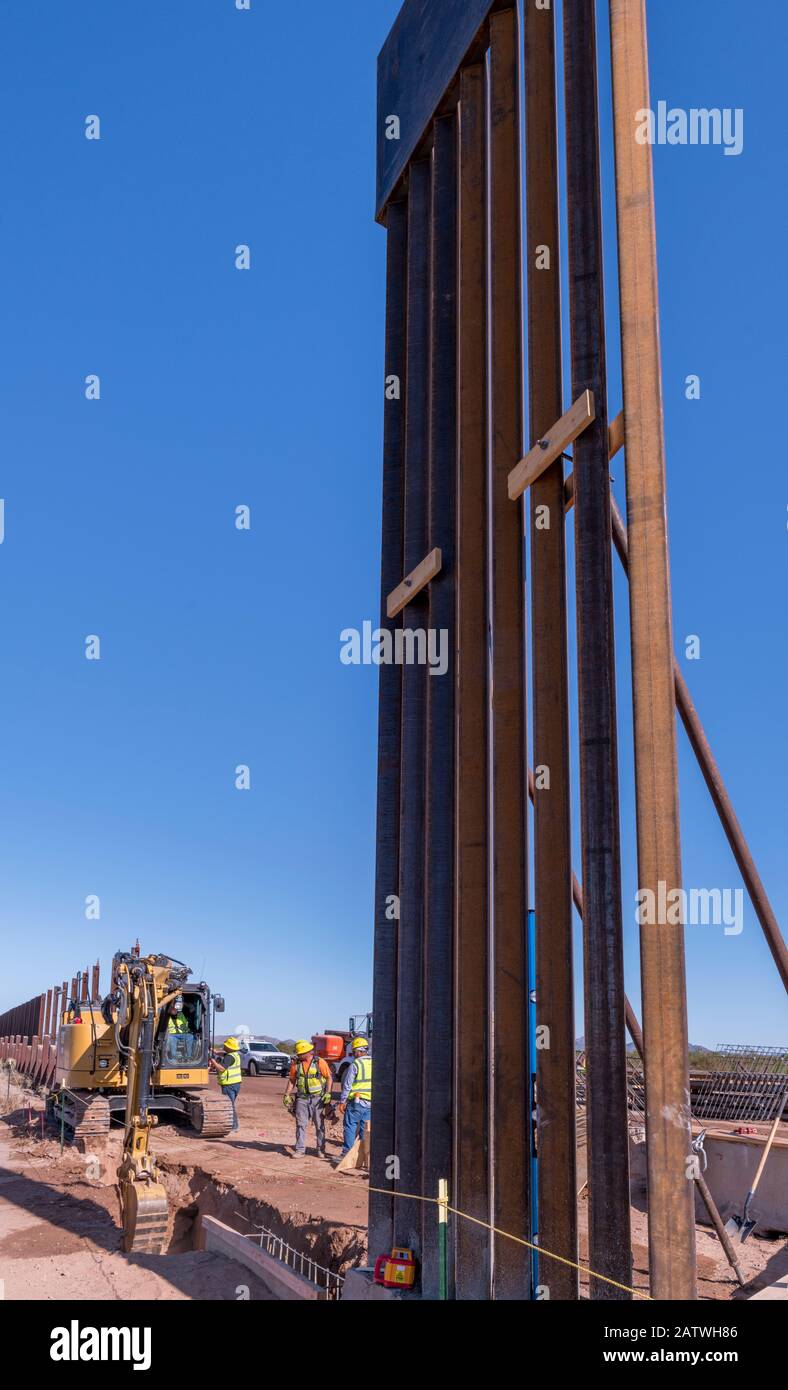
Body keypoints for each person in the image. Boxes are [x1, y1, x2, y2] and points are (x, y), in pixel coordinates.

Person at [284, 1040, 332, 1160]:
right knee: (300, 1124)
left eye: (301, 1053)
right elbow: (292, 1080)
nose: (299, 1055)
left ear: (308, 1052)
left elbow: (329, 1078)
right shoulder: (296, 1064)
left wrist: (328, 1093)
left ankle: (321, 1149)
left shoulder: (320, 1062)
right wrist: (287, 1094)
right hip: (302, 1099)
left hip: (318, 1099)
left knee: (319, 1125)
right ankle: (300, 1150)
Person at [338, 1036, 372, 1160]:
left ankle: (346, 1154)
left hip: (357, 1102)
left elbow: (347, 1084)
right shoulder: (374, 1063)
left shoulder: (356, 1064)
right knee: (365, 1130)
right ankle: (362, 1156)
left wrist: (342, 1101)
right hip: (370, 1103)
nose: (353, 1054)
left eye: (354, 1052)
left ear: (359, 1051)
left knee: (350, 1126)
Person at [209, 1035, 242, 1133]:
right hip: (236, 1084)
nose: (224, 1046)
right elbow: (221, 1053)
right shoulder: (234, 1055)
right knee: (231, 1104)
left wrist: (213, 1061)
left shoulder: (229, 1058)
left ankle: (234, 1126)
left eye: (226, 1045)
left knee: (229, 1105)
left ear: (229, 1047)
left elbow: (221, 1068)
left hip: (229, 1085)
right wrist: (212, 1050)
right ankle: (234, 1125)